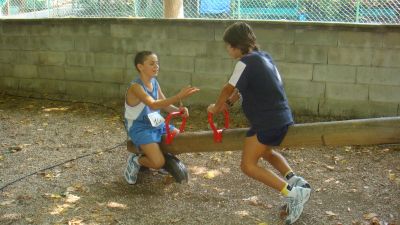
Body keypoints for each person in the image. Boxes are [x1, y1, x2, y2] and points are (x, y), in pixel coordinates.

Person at [207, 22, 311, 225]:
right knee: (266, 152)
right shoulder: (265, 57)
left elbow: (227, 88)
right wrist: (230, 103)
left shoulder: (243, 63)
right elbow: (241, 89)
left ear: (235, 46)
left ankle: (293, 193)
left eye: (227, 46)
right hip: (281, 117)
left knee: (247, 165)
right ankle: (294, 180)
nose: (227, 50)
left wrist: (216, 107)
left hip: (266, 120)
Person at [124, 51, 199, 185]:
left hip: (155, 120)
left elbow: (165, 105)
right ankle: (136, 160)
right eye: (152, 63)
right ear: (140, 67)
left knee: (179, 140)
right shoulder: (136, 87)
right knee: (157, 163)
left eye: (157, 63)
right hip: (139, 126)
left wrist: (179, 110)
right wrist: (178, 96)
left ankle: (158, 155)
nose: (156, 66)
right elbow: (153, 103)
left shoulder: (154, 82)